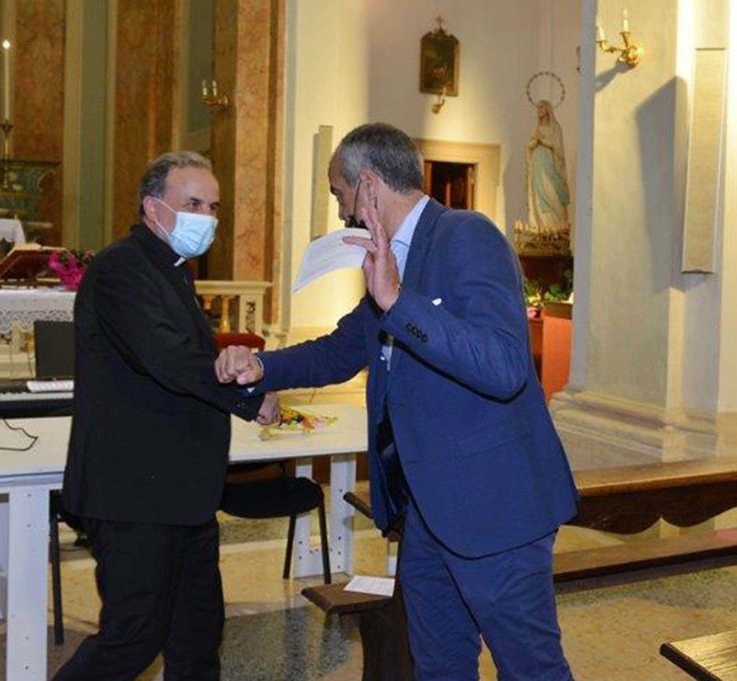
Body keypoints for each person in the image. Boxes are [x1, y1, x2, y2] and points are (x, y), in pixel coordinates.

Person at [216, 123, 577, 680]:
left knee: (530, 670)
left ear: (368, 185)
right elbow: (341, 350)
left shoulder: (465, 236)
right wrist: (262, 367)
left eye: (340, 194)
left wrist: (397, 300)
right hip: (426, 513)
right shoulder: (394, 259)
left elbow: (503, 367)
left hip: (493, 509)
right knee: (437, 666)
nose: (342, 213)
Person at [55, 151, 276, 680]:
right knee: (133, 638)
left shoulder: (170, 269)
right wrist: (249, 396)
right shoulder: (121, 269)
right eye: (193, 203)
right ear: (153, 207)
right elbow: (167, 357)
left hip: (181, 494)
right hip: (134, 494)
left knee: (197, 635)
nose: (208, 218)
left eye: (214, 207)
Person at [527, 99, 571, 234]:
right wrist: (534, 142)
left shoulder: (555, 128)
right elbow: (529, 146)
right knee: (539, 192)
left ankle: (556, 226)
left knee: (551, 191)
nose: (539, 110)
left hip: (550, 163)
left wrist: (544, 141)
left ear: (548, 109)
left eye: (542, 107)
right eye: (538, 108)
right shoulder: (536, 129)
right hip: (537, 164)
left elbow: (558, 148)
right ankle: (540, 226)